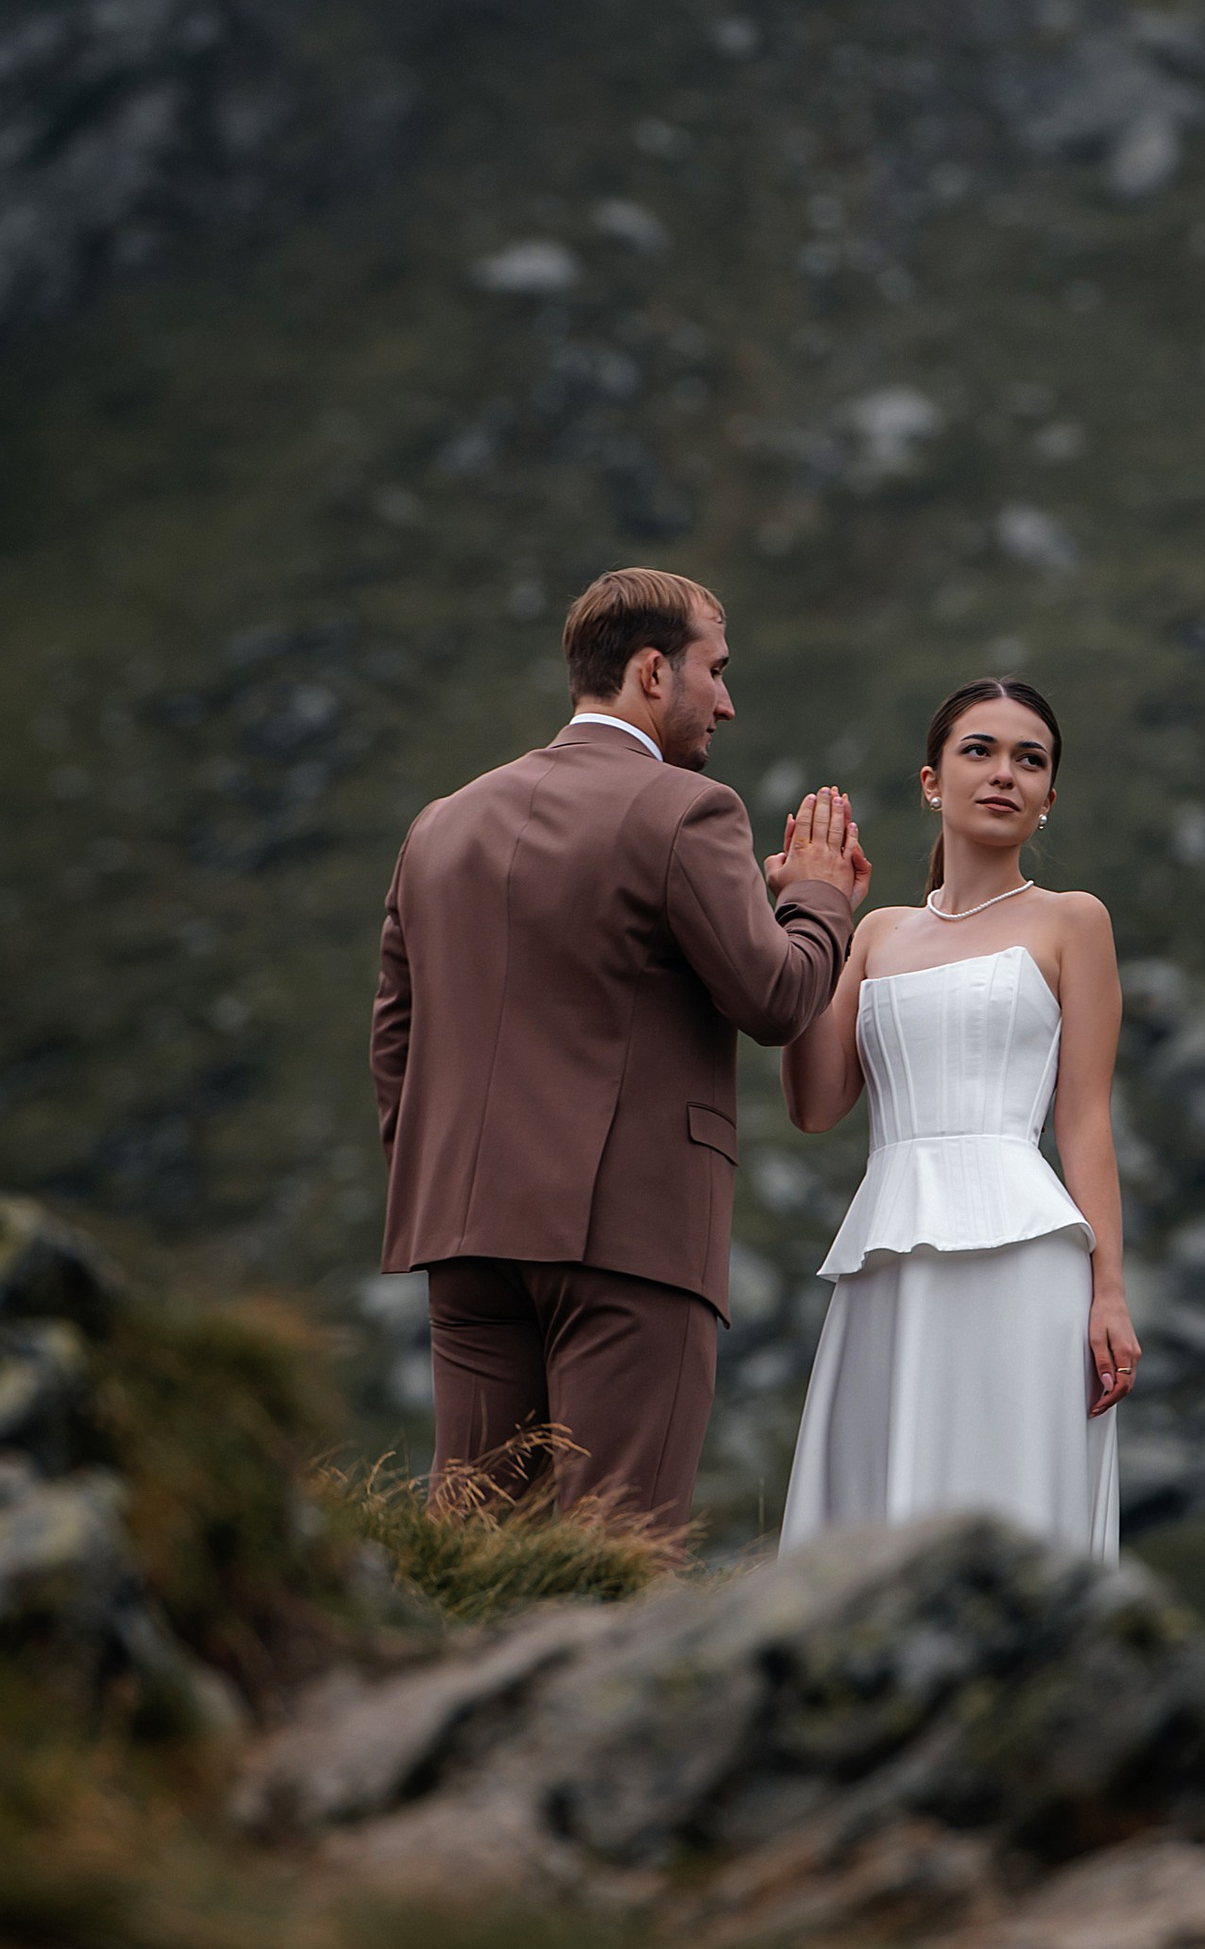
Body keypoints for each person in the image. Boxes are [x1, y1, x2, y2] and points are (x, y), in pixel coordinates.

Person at [371, 565, 866, 1534]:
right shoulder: (685, 809)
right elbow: (774, 994)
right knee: (619, 1540)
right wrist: (819, 898)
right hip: (628, 1236)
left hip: (462, 1235)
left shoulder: (440, 824)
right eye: (712, 670)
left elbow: (396, 1030)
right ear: (651, 671)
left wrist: (437, 1180)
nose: (726, 699)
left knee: (471, 1546)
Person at [776, 678, 1139, 1563]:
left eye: (1030, 759)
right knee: (880, 1486)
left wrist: (1111, 1292)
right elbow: (816, 1107)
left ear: (1049, 798)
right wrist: (808, 919)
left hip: (1026, 1253)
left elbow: (1085, 1119)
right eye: (979, 750)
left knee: (1012, 1478)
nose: (1004, 773)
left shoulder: (1072, 920)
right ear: (933, 780)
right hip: (890, 1248)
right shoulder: (878, 935)